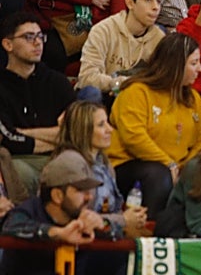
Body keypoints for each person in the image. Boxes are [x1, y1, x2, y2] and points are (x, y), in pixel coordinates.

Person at [0, 150, 119, 275]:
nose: (89, 197)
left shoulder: (85, 218)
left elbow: (118, 233)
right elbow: (11, 226)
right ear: (57, 195)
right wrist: (56, 234)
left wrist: (104, 224)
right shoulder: (27, 210)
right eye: (81, 190)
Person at [108, 32, 201, 221]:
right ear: (175, 65)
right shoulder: (137, 92)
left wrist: (184, 167)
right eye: (194, 63)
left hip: (176, 168)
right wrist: (168, 164)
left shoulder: (194, 98)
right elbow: (134, 137)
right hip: (127, 165)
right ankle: (150, 234)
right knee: (158, 174)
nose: (199, 69)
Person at [55, 100, 147, 248]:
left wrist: (133, 218)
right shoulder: (71, 164)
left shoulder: (105, 164)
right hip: (81, 245)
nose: (110, 129)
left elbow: (111, 211)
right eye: (101, 125)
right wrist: (122, 219)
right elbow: (78, 220)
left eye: (108, 123)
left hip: (105, 238)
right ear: (83, 130)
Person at [0, 12, 75, 191]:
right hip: (17, 160)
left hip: (61, 156)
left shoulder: (57, 82)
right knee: (18, 171)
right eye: (28, 37)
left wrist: (21, 132)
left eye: (41, 36)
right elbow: (7, 141)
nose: (37, 43)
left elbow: (75, 132)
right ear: (8, 44)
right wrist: (57, 135)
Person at [77, 0, 165, 97]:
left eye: (158, 1)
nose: (156, 7)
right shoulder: (103, 31)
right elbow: (87, 77)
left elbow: (163, 81)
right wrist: (116, 83)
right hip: (105, 95)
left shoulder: (159, 38)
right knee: (90, 93)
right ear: (130, 3)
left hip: (138, 99)